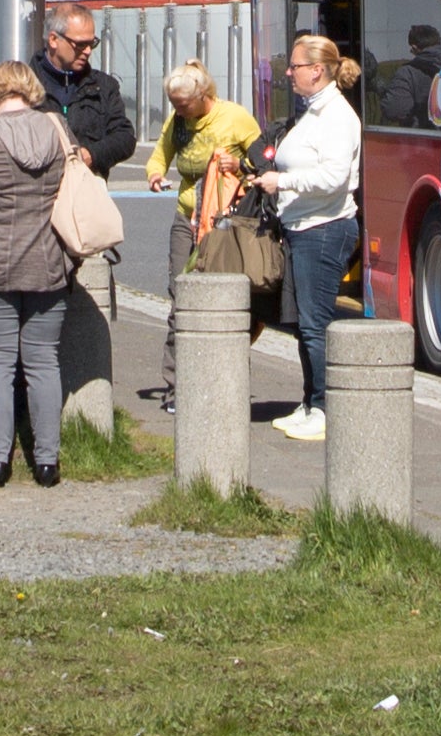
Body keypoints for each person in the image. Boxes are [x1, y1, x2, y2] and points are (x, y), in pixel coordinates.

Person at [0, 62, 84, 486]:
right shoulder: (58, 131)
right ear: (31, 91)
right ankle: (47, 462)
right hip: (49, 262)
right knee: (44, 361)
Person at [264, 31, 365, 441]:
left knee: (315, 324)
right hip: (303, 226)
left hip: (324, 229)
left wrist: (283, 182)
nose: (289, 72)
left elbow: (334, 177)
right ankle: (309, 402)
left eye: (296, 66)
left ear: (317, 71)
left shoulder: (338, 116)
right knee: (303, 323)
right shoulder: (312, 111)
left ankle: (325, 409)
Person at [153, 59, 258, 232]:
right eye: (174, 105)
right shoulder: (177, 119)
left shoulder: (235, 116)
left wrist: (238, 165)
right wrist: (155, 175)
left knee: (216, 259)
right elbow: (160, 156)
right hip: (186, 215)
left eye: (184, 106)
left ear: (202, 95)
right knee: (180, 260)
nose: (178, 112)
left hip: (225, 215)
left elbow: (263, 161)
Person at [34, 7, 139, 176]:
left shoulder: (103, 86)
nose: (88, 51)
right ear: (53, 39)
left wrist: (92, 154)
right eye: (80, 44)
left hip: (87, 191)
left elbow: (124, 137)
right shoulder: (23, 85)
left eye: (92, 43)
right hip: (38, 195)